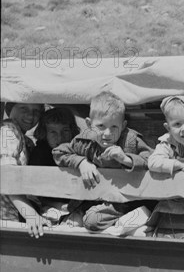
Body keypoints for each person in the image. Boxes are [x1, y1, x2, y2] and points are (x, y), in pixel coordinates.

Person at [53, 91, 152, 231]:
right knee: (72, 218)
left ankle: (139, 213)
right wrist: (81, 162)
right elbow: (59, 152)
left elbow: (151, 159)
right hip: (93, 198)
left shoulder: (130, 140)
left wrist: (126, 159)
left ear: (123, 126)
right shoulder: (84, 141)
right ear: (89, 124)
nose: (107, 133)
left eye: (114, 127)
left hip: (123, 201)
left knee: (91, 221)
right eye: (101, 126)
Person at [0, 102, 47, 237]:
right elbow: (6, 175)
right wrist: (31, 215)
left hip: (14, 217)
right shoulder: (8, 131)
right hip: (6, 219)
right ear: (9, 109)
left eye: (36, 111)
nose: (30, 115)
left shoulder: (25, 140)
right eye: (23, 108)